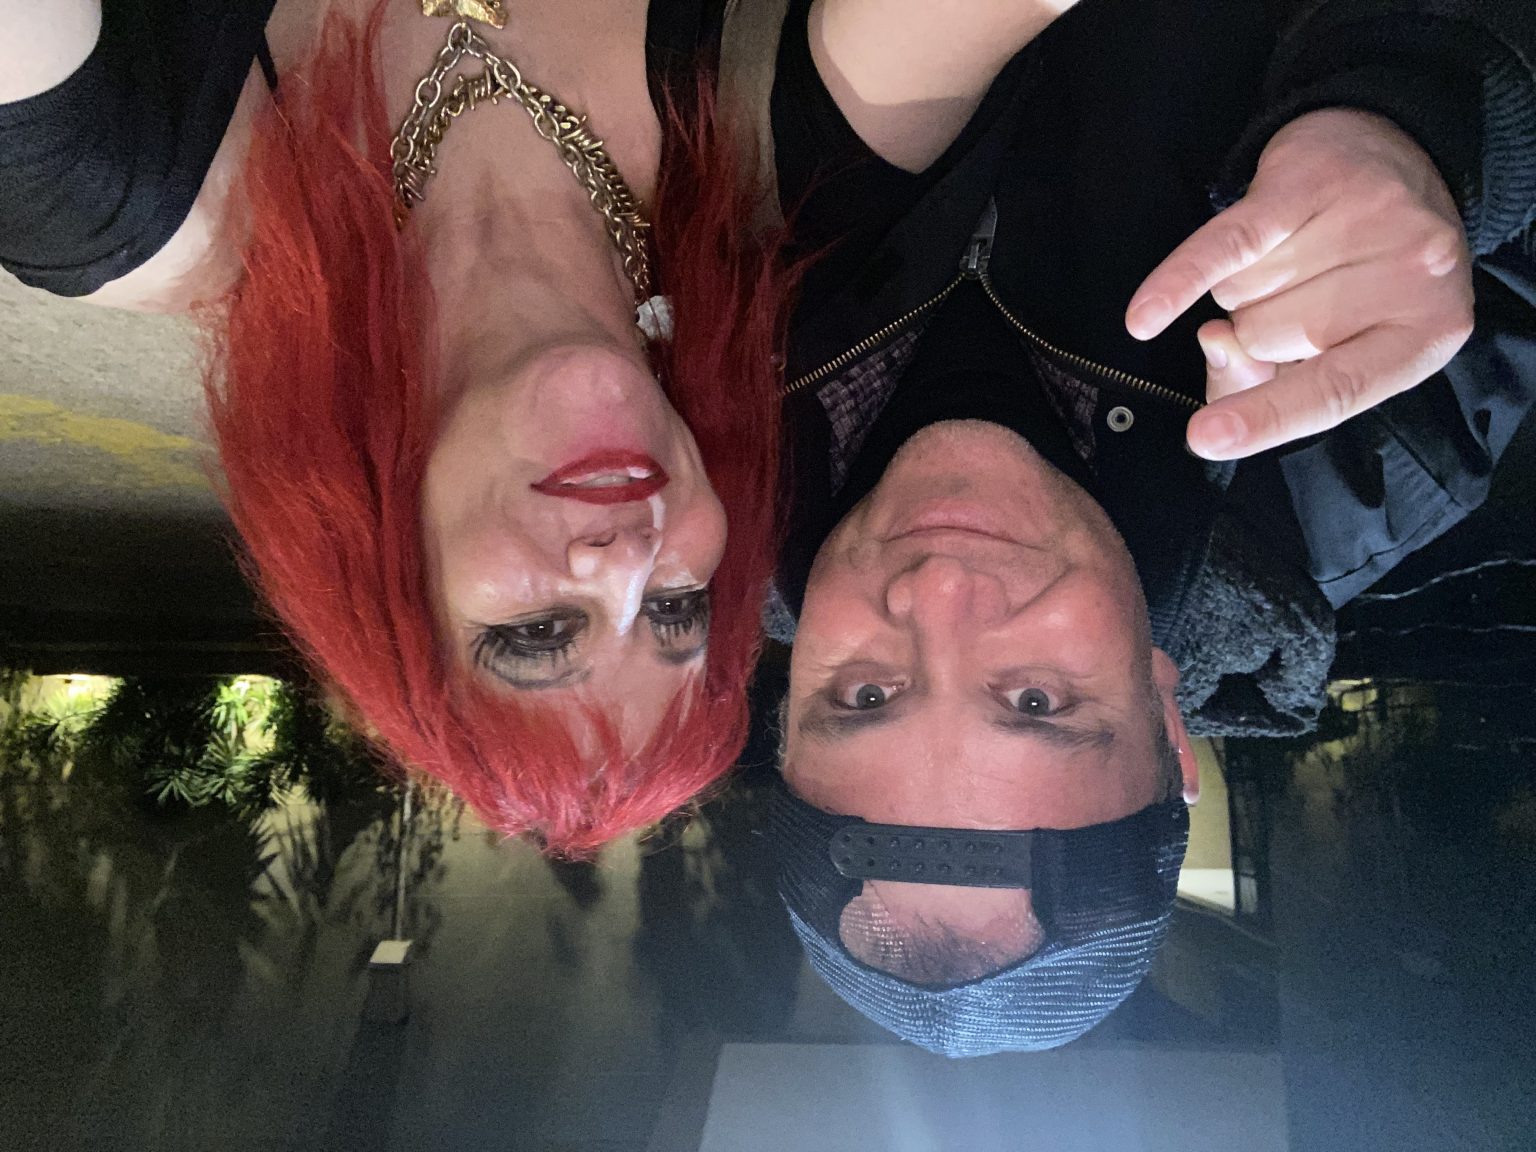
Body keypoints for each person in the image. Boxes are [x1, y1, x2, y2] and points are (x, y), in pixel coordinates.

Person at [1, 0, 1038, 851]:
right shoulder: (809, 161)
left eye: (540, 633)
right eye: (676, 611)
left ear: (389, 574)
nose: (625, 564)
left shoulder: (125, 198)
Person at [763, 0, 1536, 1054]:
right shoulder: (1367, 458)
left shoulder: (691, 462)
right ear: (1172, 729)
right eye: (1035, 700)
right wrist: (1420, 130)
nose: (940, 591)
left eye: (865, 696)